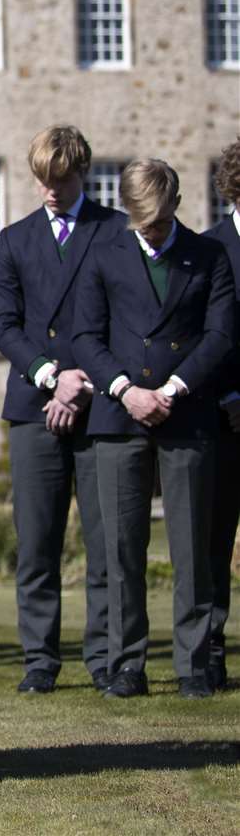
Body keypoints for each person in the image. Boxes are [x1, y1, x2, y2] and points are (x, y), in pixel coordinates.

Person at [73, 158, 235, 700]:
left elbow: (220, 335)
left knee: (192, 547)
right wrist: (125, 389)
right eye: (145, 222)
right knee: (121, 548)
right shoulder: (102, 254)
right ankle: (126, 663)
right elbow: (85, 336)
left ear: (176, 206)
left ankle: (194, 664)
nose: (155, 232)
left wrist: (174, 389)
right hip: (119, 415)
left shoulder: (208, 255)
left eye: (162, 221)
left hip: (186, 415)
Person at [0, 125, 121, 694]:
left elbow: (126, 318)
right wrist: (51, 377)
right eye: (43, 179)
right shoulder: (15, 240)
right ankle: (40, 658)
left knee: (105, 539)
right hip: (34, 404)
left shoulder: (115, 232)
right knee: (38, 542)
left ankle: (106, 657)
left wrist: (85, 381)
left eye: (61, 180)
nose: (50, 190)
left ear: (82, 173)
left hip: (101, 406)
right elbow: (4, 325)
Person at [202, 137, 240, 691]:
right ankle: (209, 653)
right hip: (228, 418)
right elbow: (208, 338)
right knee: (214, 543)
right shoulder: (210, 250)